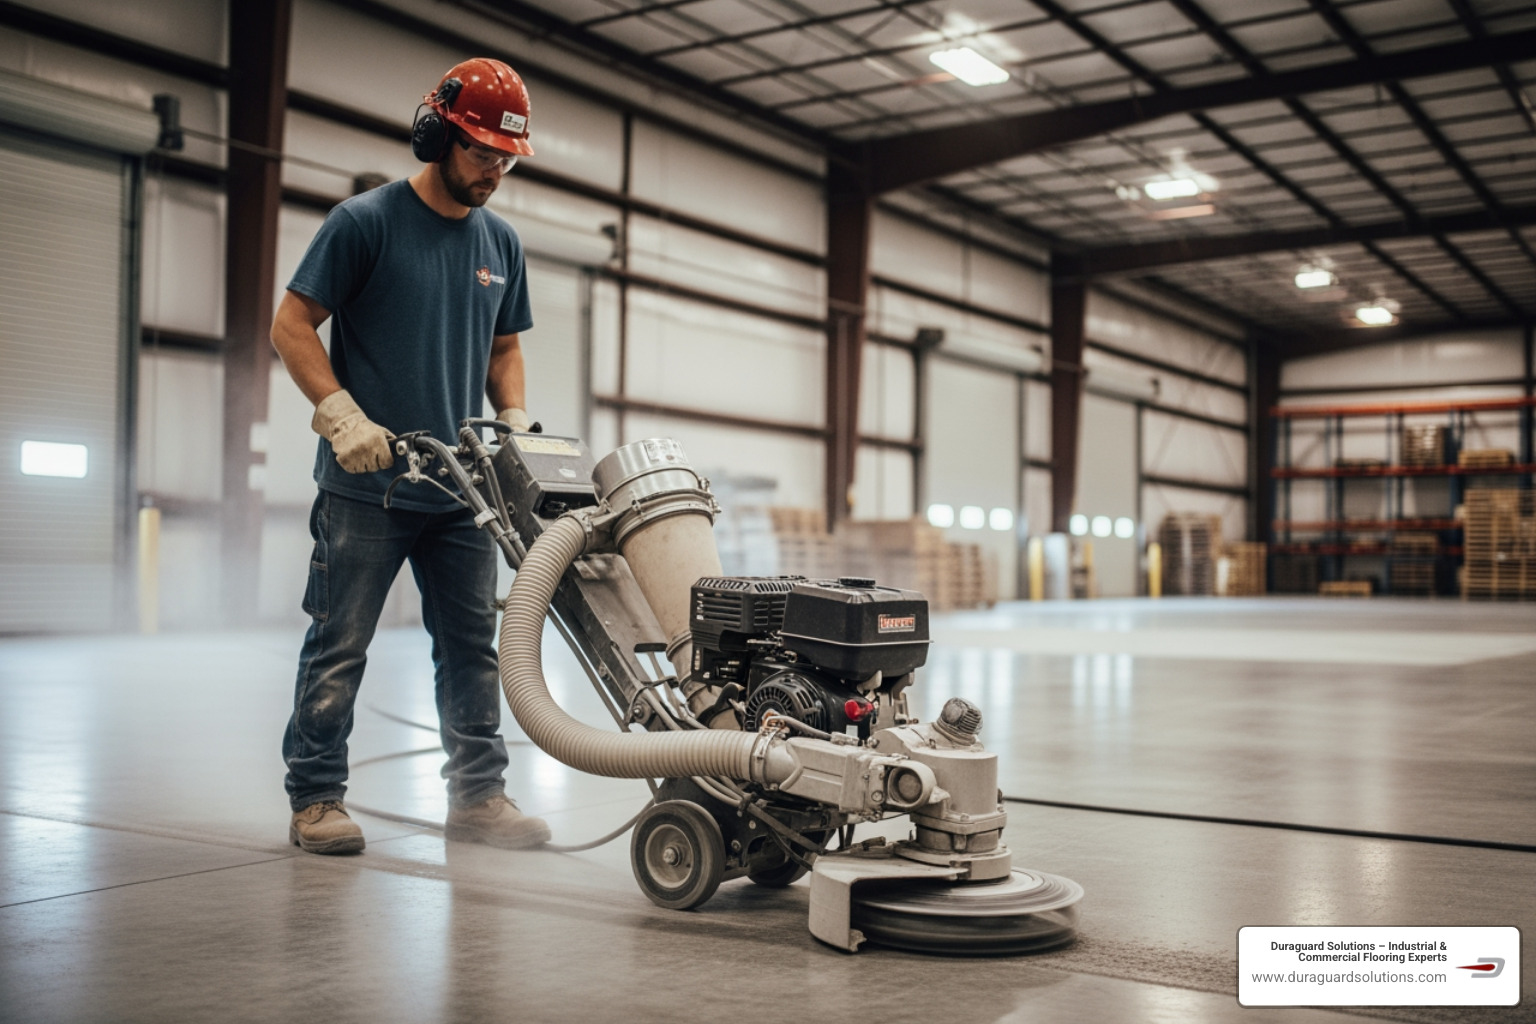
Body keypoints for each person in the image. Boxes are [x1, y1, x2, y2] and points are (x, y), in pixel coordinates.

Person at [270, 58, 551, 855]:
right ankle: (316, 798)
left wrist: (517, 419)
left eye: (506, 158)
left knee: (473, 651)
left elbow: (504, 349)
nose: (494, 170)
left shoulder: (502, 242)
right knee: (340, 644)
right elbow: (292, 327)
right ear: (438, 136)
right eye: (481, 153)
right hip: (368, 489)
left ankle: (479, 798)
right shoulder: (365, 223)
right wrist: (339, 413)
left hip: (463, 490)